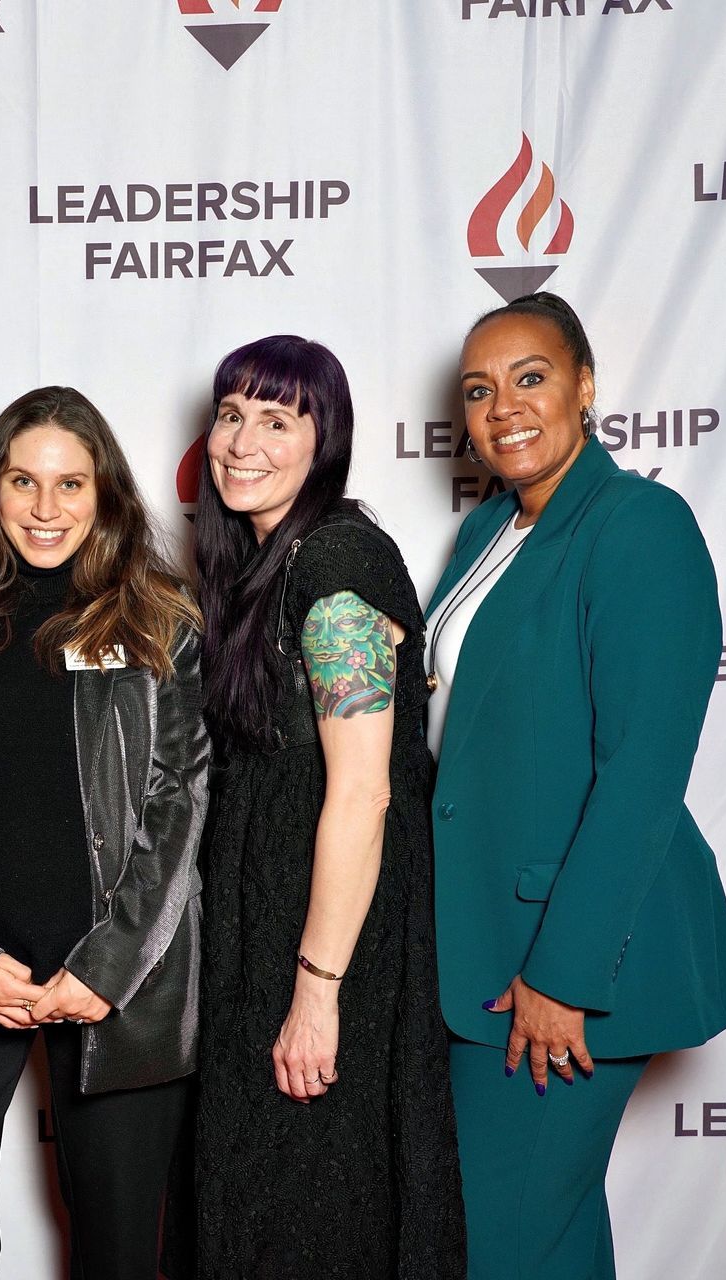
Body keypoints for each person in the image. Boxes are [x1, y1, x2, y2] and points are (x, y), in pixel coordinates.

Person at [426, 292, 726, 1278]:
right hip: (479, 944)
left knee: (498, 1243)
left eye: (531, 377)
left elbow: (641, 774)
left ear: (586, 387)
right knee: (546, 1236)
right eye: (480, 390)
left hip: (564, 960)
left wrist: (562, 975)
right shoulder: (488, 531)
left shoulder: (640, 525)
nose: (503, 407)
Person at [0, 386, 209, 1280]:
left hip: (120, 981)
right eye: (24, 482)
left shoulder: (158, 618)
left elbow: (179, 799)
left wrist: (108, 968)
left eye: (71, 484)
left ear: (105, 493)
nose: (46, 509)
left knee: (124, 1248)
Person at [192, 336, 465, 1278]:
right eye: (231, 414)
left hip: (321, 946)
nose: (242, 441)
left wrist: (318, 993)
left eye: (277, 420)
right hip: (263, 930)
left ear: (326, 442)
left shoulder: (336, 567)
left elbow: (364, 790)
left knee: (315, 1215)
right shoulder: (264, 565)